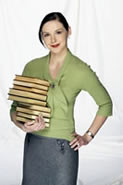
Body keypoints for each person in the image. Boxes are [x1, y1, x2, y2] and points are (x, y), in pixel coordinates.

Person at [10, 12, 113, 185]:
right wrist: (22, 125)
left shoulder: (81, 71)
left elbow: (105, 104)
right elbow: (14, 109)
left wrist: (87, 137)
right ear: (42, 38)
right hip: (34, 145)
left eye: (58, 32)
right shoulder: (31, 67)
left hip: (63, 149)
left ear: (69, 31)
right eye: (46, 34)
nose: (53, 39)